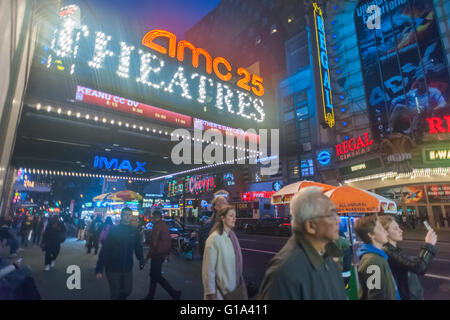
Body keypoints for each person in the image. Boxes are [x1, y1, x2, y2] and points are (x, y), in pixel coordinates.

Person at [257, 187, 347, 300]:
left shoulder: (327, 256)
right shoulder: (285, 272)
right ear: (310, 226)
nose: (338, 220)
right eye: (331, 214)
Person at [379, 215, 437, 300]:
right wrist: (428, 245)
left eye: (399, 227)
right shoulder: (388, 251)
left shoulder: (393, 250)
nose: (401, 230)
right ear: (385, 232)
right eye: (395, 229)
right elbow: (419, 267)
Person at [95, 207, 145, 300]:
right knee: (115, 292)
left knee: (127, 290)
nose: (127, 217)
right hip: (113, 267)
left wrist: (141, 260)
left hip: (127, 267)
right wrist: (99, 268)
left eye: (129, 215)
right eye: (125, 214)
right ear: (121, 216)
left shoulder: (134, 231)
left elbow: (138, 247)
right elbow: (105, 250)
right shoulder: (114, 230)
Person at [202, 206, 247, 300]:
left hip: (234, 290)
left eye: (235, 216)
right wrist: (210, 293)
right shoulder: (214, 239)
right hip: (220, 294)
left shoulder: (232, 237)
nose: (235, 218)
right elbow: (208, 270)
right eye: (231, 216)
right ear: (222, 218)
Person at [354, 215, 400, 300]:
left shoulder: (378, 256)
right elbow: (376, 295)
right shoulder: (373, 261)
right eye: (380, 229)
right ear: (371, 235)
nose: (386, 232)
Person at [142, 210, 181, 300]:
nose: (151, 219)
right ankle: (150, 295)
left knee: (156, 275)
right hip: (162, 254)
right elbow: (167, 241)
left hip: (157, 254)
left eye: (152, 217)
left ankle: (174, 293)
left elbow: (154, 243)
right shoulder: (164, 226)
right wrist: (168, 254)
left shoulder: (157, 226)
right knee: (154, 275)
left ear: (156, 217)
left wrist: (147, 257)